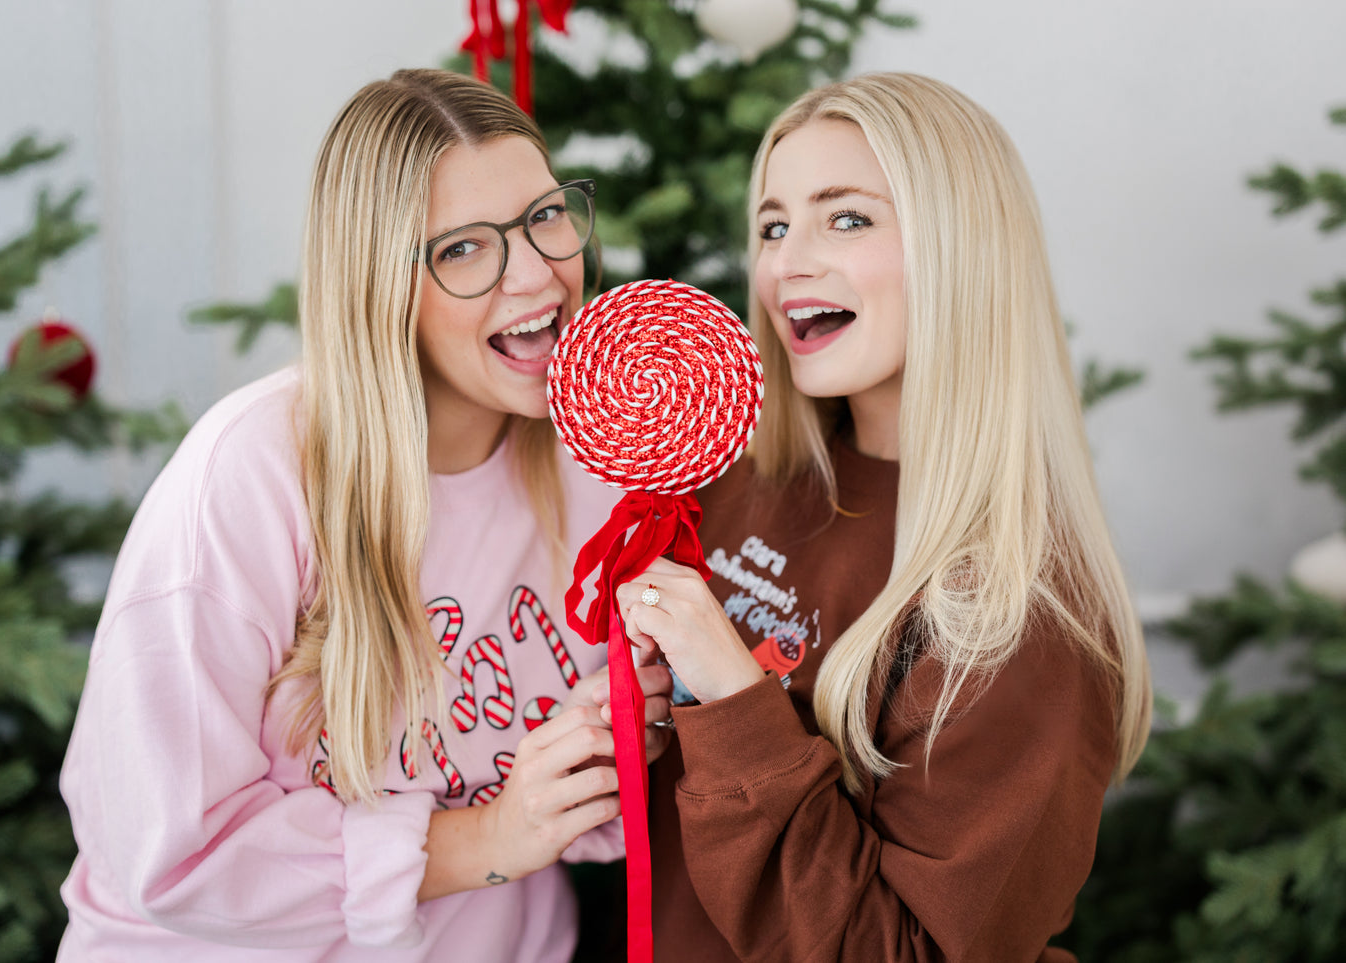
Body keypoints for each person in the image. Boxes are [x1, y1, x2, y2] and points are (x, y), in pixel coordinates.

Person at [57, 68, 672, 962]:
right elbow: (172, 852)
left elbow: (591, 801)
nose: (538, 273)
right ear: (381, 283)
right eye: (464, 247)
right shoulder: (251, 477)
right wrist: (486, 838)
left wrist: (618, 742)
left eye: (546, 215)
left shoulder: (600, 465)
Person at [615, 72, 1153, 962]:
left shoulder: (1022, 617)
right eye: (773, 225)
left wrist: (734, 697)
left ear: (962, 250)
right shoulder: (732, 485)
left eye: (848, 217)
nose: (787, 261)